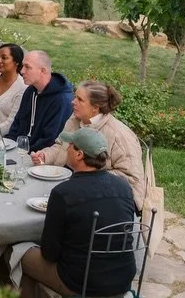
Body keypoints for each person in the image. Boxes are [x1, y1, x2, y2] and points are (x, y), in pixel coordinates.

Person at [18, 127, 138, 298]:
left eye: (70, 146)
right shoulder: (123, 186)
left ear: (80, 154)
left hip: (83, 283)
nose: (67, 149)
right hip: (123, 279)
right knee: (77, 255)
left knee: (19, 253)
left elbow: (50, 253)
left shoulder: (64, 193)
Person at [32, 80, 147, 211]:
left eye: (80, 99)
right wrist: (45, 156)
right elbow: (60, 146)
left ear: (95, 107)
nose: (73, 102)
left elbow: (132, 180)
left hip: (109, 201)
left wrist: (87, 179)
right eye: (75, 97)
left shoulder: (119, 135)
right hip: (74, 186)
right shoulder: (75, 120)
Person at [4, 50, 74, 154]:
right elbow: (17, 124)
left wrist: (24, 154)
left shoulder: (61, 100)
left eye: (27, 67)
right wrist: (8, 145)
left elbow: (49, 140)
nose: (22, 71)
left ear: (42, 70)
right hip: (18, 151)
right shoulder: (30, 91)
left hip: (39, 157)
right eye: (23, 66)